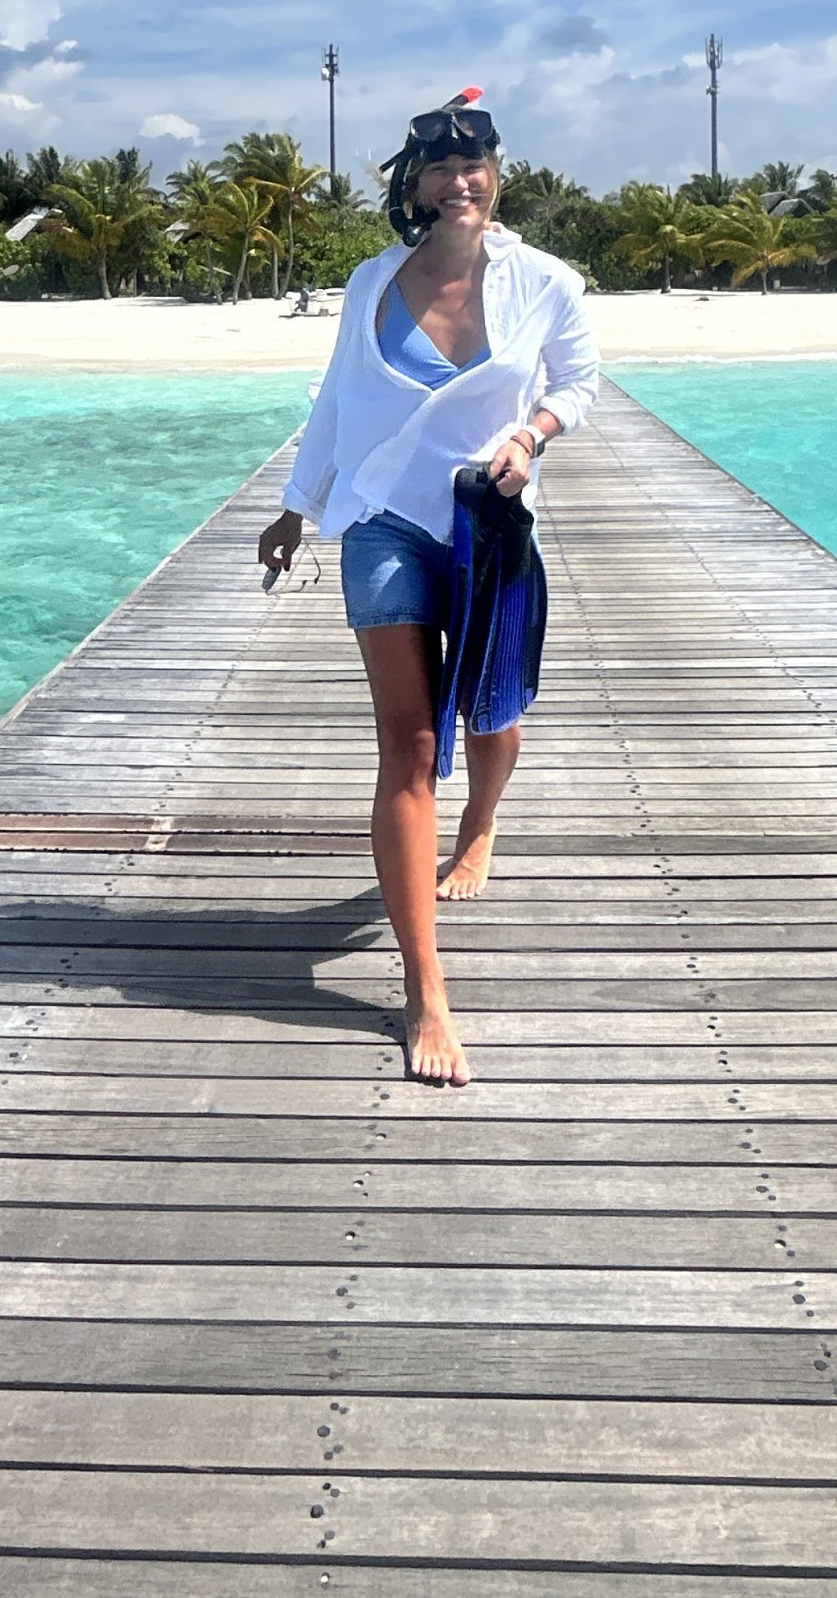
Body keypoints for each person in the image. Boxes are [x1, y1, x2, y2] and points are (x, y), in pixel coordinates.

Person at [257, 94, 599, 1086]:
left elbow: (577, 383)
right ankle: (424, 988)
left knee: (493, 715)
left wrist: (530, 436)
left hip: (486, 521)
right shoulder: (372, 282)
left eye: (473, 164)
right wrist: (296, 508)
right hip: (383, 521)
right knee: (408, 743)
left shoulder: (544, 283)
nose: (459, 181)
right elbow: (336, 403)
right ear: (413, 184)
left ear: (495, 175)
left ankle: (479, 826)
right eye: (440, 168)